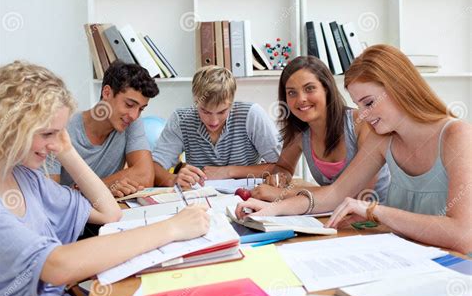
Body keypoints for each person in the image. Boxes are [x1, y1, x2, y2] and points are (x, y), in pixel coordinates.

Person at [0, 61, 209, 296]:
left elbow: (110, 212)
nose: (55, 143)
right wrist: (172, 228)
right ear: (9, 126)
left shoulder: (27, 178)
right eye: (48, 133)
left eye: (60, 133)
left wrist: (67, 150)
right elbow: (56, 266)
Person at [236, 45, 472, 254]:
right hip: (409, 256)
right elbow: (336, 193)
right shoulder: (384, 138)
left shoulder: (457, 135)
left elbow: (462, 235)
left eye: (369, 103)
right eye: (359, 105)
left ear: (401, 88)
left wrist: (375, 211)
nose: (365, 115)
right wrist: (273, 210)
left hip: (456, 269)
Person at [252, 56, 390, 203]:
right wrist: (279, 179)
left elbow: (354, 193)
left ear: (326, 89)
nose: (301, 99)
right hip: (331, 212)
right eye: (292, 92)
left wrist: (283, 194)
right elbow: (283, 167)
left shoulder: (362, 124)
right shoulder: (300, 131)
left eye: (309, 88)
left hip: (373, 219)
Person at [152, 65, 282, 187]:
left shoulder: (251, 115)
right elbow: (154, 166)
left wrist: (228, 171)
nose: (213, 121)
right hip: (201, 200)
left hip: (248, 197)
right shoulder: (181, 119)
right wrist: (173, 179)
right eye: (205, 111)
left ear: (231, 103)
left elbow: (282, 166)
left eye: (222, 112)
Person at [46, 61, 159, 198]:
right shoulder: (61, 129)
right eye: (129, 104)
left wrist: (88, 189)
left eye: (141, 109)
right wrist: (105, 188)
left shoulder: (131, 122)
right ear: (107, 93)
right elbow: (50, 197)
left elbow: (145, 176)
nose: (134, 115)